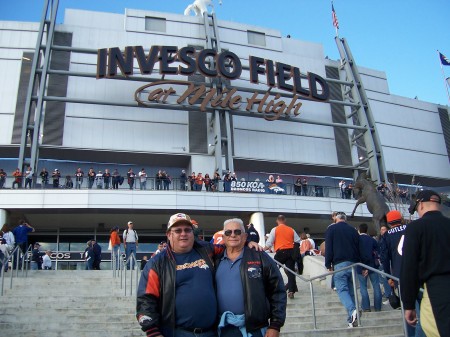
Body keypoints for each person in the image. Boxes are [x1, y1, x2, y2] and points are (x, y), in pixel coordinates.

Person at [136, 212, 260, 337]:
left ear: (192, 233)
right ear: (169, 235)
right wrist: (152, 331)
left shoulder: (206, 250)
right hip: (176, 333)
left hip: (211, 332)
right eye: (178, 230)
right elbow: (146, 300)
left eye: (187, 230)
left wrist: (246, 242)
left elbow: (229, 245)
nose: (183, 234)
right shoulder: (157, 263)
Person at [215, 218, 287, 337]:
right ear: (223, 238)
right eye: (228, 232)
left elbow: (277, 291)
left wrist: (275, 325)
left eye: (237, 232)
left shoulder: (259, 256)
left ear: (244, 236)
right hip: (223, 329)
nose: (233, 235)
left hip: (254, 330)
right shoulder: (215, 260)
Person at [401, 190, 450, 336]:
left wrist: (409, 304)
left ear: (420, 205)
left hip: (436, 291)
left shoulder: (416, 228)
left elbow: (409, 268)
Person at [381, 210, 424, 336]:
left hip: (401, 278)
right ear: (401, 219)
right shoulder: (412, 228)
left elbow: (384, 258)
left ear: (388, 223)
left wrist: (389, 276)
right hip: (420, 275)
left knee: (409, 312)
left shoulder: (387, 235)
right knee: (424, 311)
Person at [324, 212, 360, 328]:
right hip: (353, 263)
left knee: (342, 290)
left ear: (336, 219)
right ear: (345, 219)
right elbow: (359, 247)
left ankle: (353, 310)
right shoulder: (353, 230)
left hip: (340, 263)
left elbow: (329, 247)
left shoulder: (332, 229)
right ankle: (352, 319)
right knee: (351, 291)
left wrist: (328, 263)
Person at [264, 215, 300, 299]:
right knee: (291, 272)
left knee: (273, 268)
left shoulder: (275, 229)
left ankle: (273, 287)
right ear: (285, 220)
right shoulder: (291, 229)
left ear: (277, 221)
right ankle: (291, 290)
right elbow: (298, 241)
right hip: (291, 252)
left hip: (280, 252)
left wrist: (263, 249)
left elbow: (269, 242)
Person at [357, 223, 382, 313]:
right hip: (373, 266)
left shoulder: (357, 240)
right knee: (376, 286)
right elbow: (378, 252)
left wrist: (364, 267)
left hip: (361, 266)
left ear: (359, 230)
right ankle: (378, 307)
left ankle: (366, 307)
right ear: (367, 230)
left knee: (363, 287)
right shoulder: (372, 240)